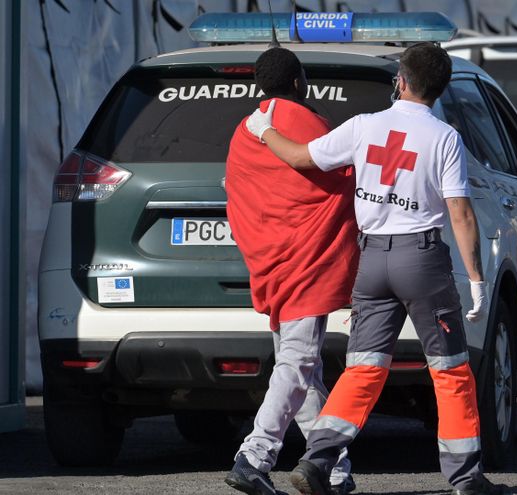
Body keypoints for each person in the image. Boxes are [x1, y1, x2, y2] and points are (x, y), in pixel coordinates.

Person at [245, 42, 511, 495]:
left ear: (401, 82)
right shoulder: (445, 137)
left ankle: (317, 460)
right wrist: (478, 279)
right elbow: (461, 213)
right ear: (440, 89)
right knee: (450, 369)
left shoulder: (364, 126)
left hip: (372, 263)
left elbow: (300, 157)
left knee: (363, 369)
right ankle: (466, 477)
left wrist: (264, 130)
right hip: (422, 260)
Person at [223, 47, 359, 495]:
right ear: (299, 82)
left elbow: (240, 194)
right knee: (298, 362)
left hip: (270, 264)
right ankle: (254, 456)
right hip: (307, 263)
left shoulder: (246, 130)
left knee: (305, 369)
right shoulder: (309, 124)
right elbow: (342, 179)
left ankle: (332, 471)